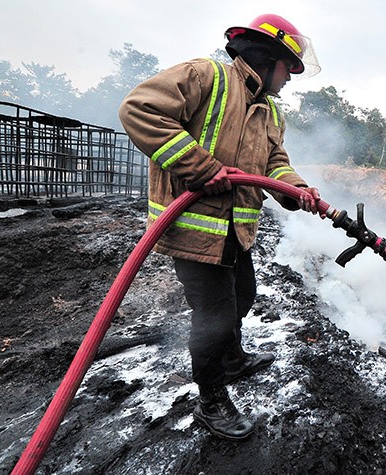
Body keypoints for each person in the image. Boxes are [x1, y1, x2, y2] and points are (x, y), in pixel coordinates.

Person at [118, 13, 323, 440]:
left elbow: (275, 165)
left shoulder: (270, 114)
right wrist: (197, 166)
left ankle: (232, 359)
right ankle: (211, 399)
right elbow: (139, 109)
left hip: (235, 232)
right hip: (193, 229)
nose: (289, 79)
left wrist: (297, 189)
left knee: (243, 296)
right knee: (214, 317)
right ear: (266, 58)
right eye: (289, 68)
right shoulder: (204, 76)